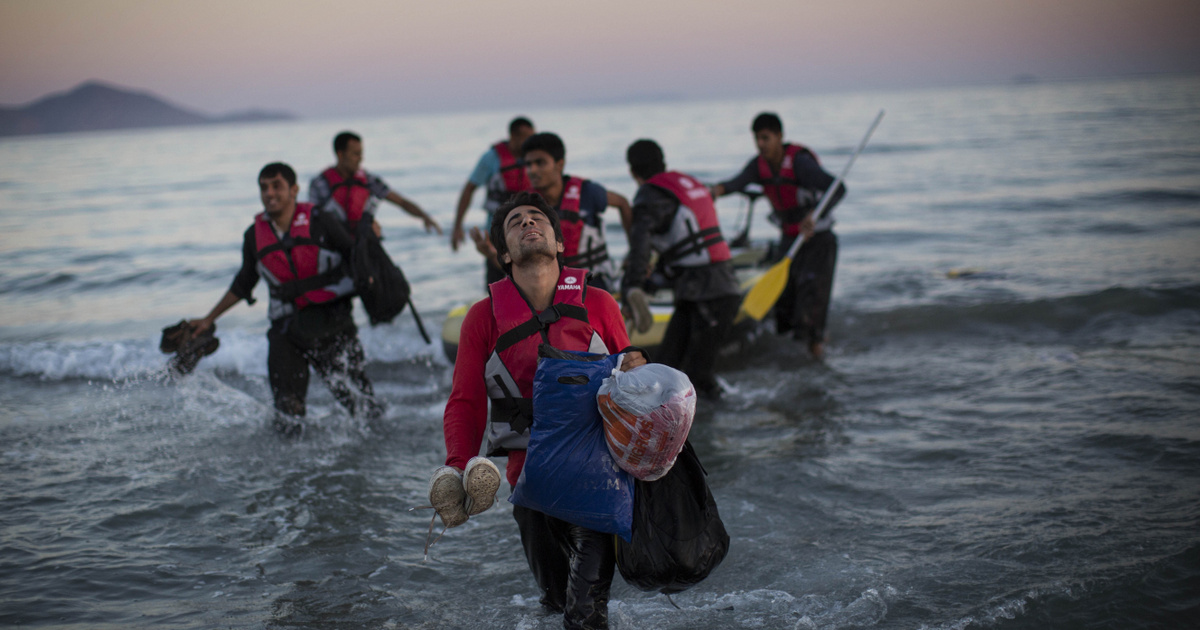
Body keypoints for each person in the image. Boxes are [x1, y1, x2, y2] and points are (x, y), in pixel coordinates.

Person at [434, 191, 647, 629]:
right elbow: (465, 402)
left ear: (560, 243)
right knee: (554, 606)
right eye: (516, 222)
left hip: (598, 483)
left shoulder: (601, 304)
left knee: (584, 616)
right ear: (504, 255)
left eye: (538, 219)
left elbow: (633, 392)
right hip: (530, 485)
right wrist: (457, 467)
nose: (529, 224)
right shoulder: (483, 318)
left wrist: (640, 370)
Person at [189, 162, 382, 436]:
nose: (269, 193)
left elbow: (356, 258)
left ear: (294, 190)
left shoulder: (321, 221)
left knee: (361, 406)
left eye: (276, 186)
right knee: (287, 416)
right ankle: (294, 474)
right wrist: (208, 319)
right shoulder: (253, 236)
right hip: (286, 332)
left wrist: (370, 237)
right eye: (264, 187)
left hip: (333, 326)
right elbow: (244, 282)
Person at [710, 112, 845, 359]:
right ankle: (796, 351)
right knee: (786, 300)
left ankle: (818, 352)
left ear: (779, 136)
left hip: (818, 239)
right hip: (789, 239)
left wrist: (814, 214)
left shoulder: (800, 163)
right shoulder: (758, 165)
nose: (761, 144)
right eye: (757, 139)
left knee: (812, 296)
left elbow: (838, 188)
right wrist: (714, 191)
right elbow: (737, 183)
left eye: (766, 138)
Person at [622, 139, 741, 400]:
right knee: (667, 368)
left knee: (697, 376)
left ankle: (721, 426)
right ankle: (678, 426)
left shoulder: (649, 195)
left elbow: (639, 247)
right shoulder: (686, 183)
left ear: (633, 172)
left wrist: (632, 287)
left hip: (708, 292)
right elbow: (681, 246)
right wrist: (652, 281)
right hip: (714, 286)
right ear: (662, 162)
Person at [520, 132, 632, 292]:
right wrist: (491, 253)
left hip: (594, 280)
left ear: (559, 164)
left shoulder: (587, 192)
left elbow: (622, 203)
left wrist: (634, 253)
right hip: (552, 286)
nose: (532, 170)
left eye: (540, 163)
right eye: (529, 164)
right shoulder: (527, 204)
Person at [451, 117, 537, 286]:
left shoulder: (534, 160)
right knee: (498, 282)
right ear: (514, 136)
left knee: (529, 280)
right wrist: (457, 226)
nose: (531, 142)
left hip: (528, 231)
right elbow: (469, 189)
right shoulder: (491, 158)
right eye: (527, 137)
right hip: (498, 233)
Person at [309, 131, 442, 236]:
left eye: (361, 154)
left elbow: (401, 202)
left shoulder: (369, 181)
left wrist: (425, 217)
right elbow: (313, 220)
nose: (360, 159)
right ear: (340, 154)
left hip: (366, 243)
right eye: (355, 154)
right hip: (334, 244)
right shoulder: (319, 184)